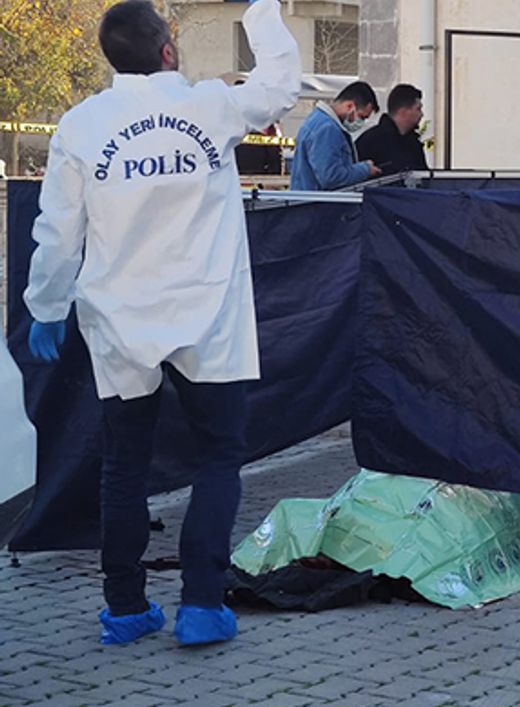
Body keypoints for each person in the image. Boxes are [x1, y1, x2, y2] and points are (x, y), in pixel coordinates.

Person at [23, 0, 300, 646]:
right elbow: (281, 83)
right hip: (208, 314)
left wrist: (45, 307)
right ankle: (202, 603)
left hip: (120, 319)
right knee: (219, 457)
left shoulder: (82, 125)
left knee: (123, 464)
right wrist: (260, 11)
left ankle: (124, 607)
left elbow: (58, 233)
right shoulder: (210, 107)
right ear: (168, 52)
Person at [290, 81, 380, 190]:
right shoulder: (327, 129)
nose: (361, 123)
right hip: (318, 204)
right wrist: (365, 170)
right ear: (350, 106)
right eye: (361, 117)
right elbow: (331, 177)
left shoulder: (317, 121)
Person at [356, 83, 429, 175]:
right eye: (418, 109)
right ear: (403, 112)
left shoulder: (414, 144)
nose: (421, 115)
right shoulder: (370, 142)